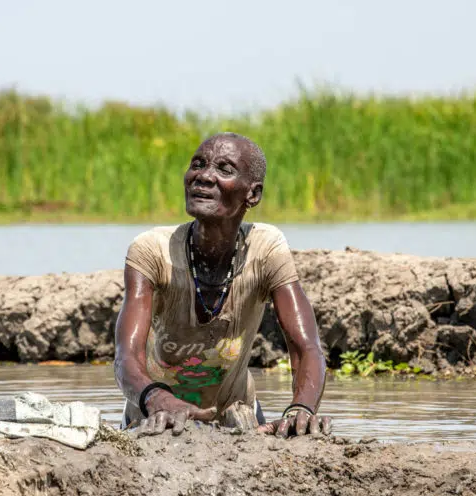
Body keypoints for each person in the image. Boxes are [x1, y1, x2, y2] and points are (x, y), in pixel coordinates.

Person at [113, 132, 331, 438]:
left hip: (237, 414)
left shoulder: (266, 248)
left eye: (224, 170)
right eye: (198, 165)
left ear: (252, 195)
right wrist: (155, 397)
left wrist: (301, 410)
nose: (203, 176)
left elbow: (306, 347)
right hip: (153, 416)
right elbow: (126, 356)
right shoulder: (152, 250)